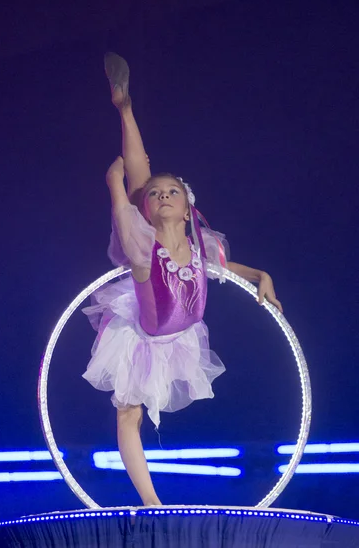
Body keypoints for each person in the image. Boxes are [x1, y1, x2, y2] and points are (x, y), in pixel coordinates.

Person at [83, 53, 282, 506]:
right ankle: (152, 504)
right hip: (142, 334)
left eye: (172, 190)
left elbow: (229, 269)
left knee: (144, 172)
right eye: (154, 195)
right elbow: (136, 179)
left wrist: (262, 277)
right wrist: (117, 183)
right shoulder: (140, 243)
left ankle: (125, 109)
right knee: (128, 416)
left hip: (183, 334)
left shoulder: (203, 246)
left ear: (187, 203)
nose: (163, 195)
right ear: (146, 208)